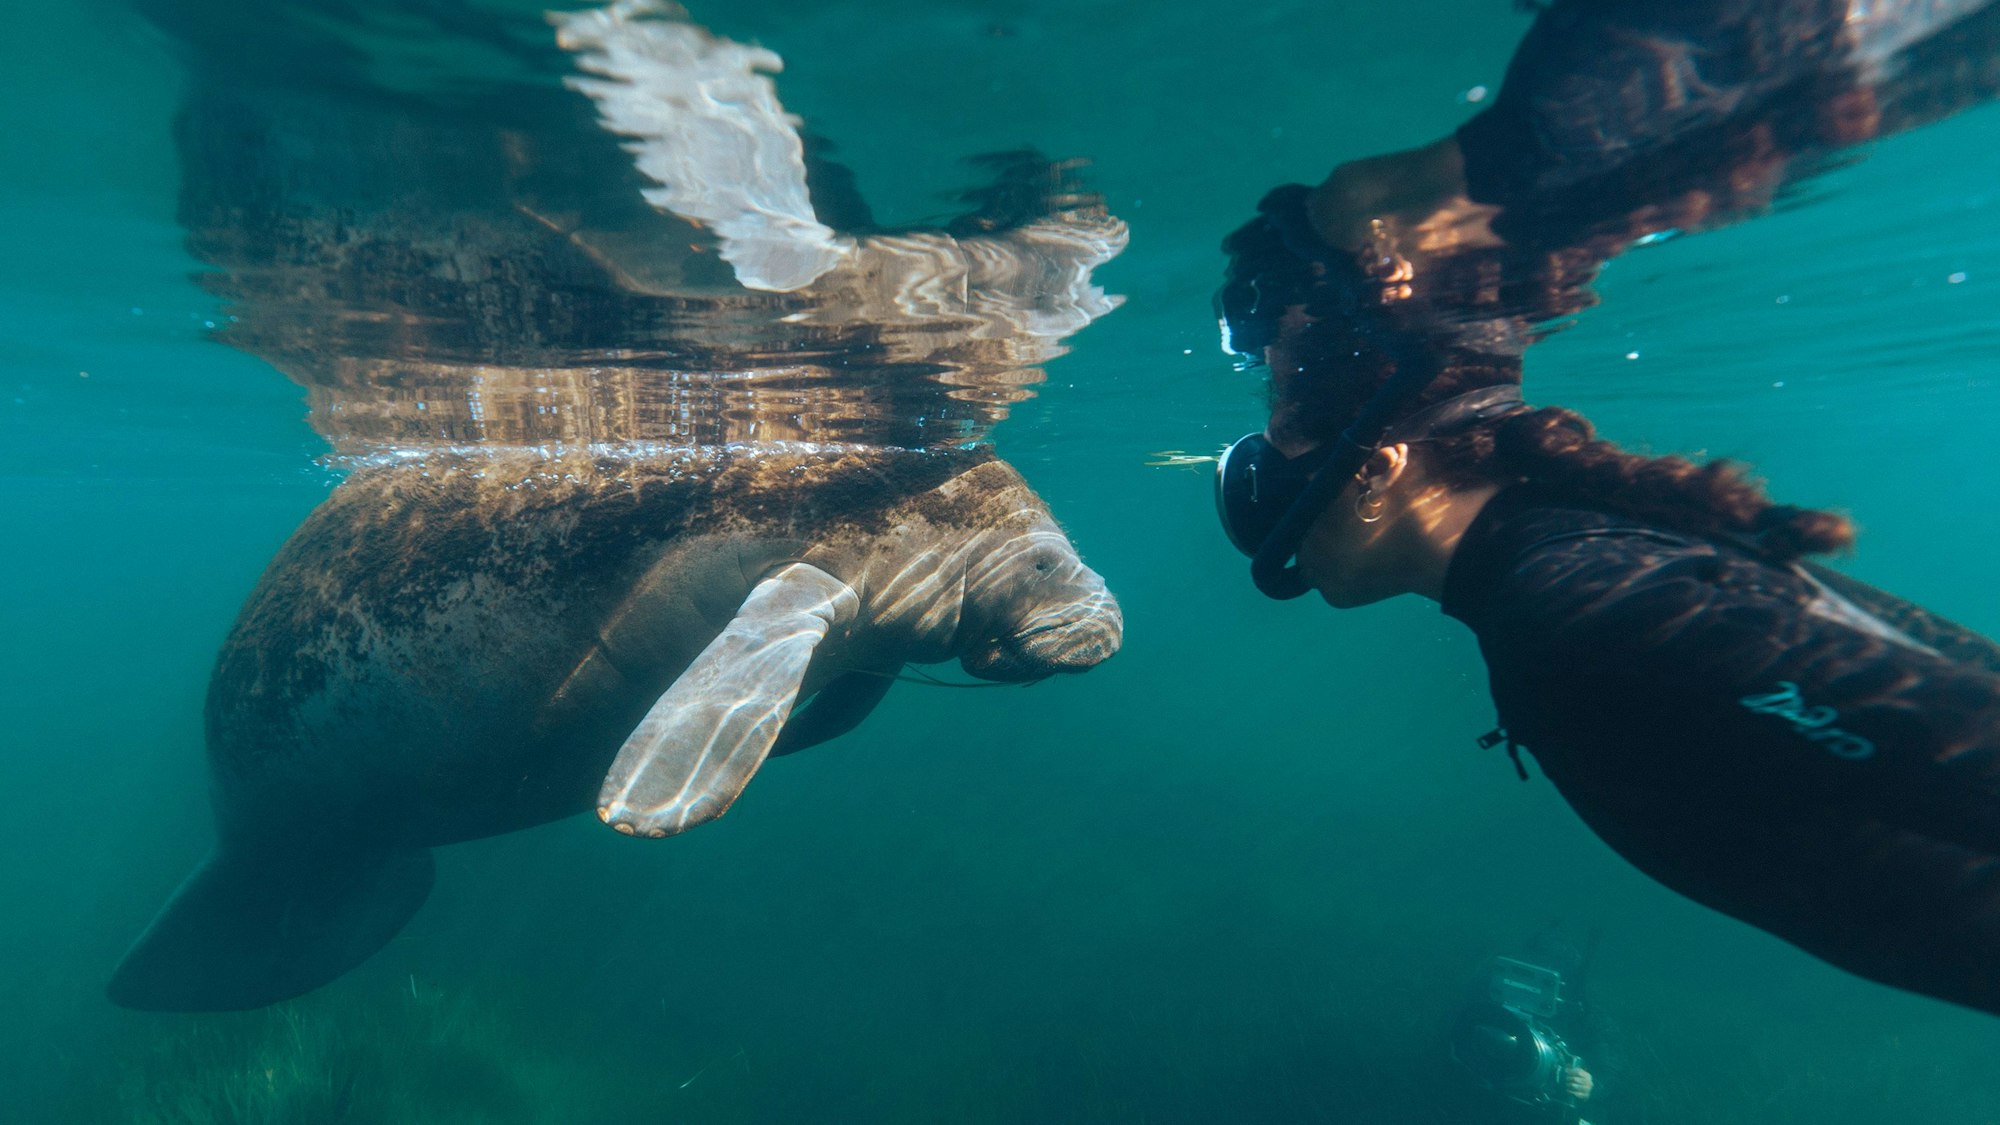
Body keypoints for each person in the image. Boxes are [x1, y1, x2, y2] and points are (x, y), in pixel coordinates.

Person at [1213, 0, 2000, 1017]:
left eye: (1276, 444)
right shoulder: (1574, 575)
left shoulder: (1582, 611)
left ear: (1376, 465)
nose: (1255, 485)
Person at [1442, 929, 1624, 1124]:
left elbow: (1608, 1059)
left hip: (1550, 1106)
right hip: (1484, 1092)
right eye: (1534, 965)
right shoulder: (1489, 992)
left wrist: (1590, 1084)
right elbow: (1457, 1029)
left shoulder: (1583, 1008)